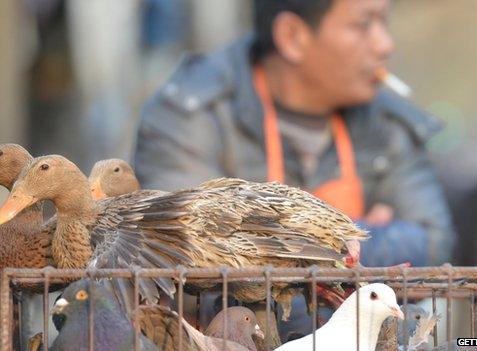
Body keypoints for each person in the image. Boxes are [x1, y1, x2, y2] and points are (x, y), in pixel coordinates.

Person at [133, 0, 456, 342]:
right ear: (293, 36)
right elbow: (183, 262)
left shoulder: (389, 120)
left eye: (384, 22)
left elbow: (433, 245)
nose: (385, 44)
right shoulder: (190, 112)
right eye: (364, 24)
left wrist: (274, 252)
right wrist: (363, 242)